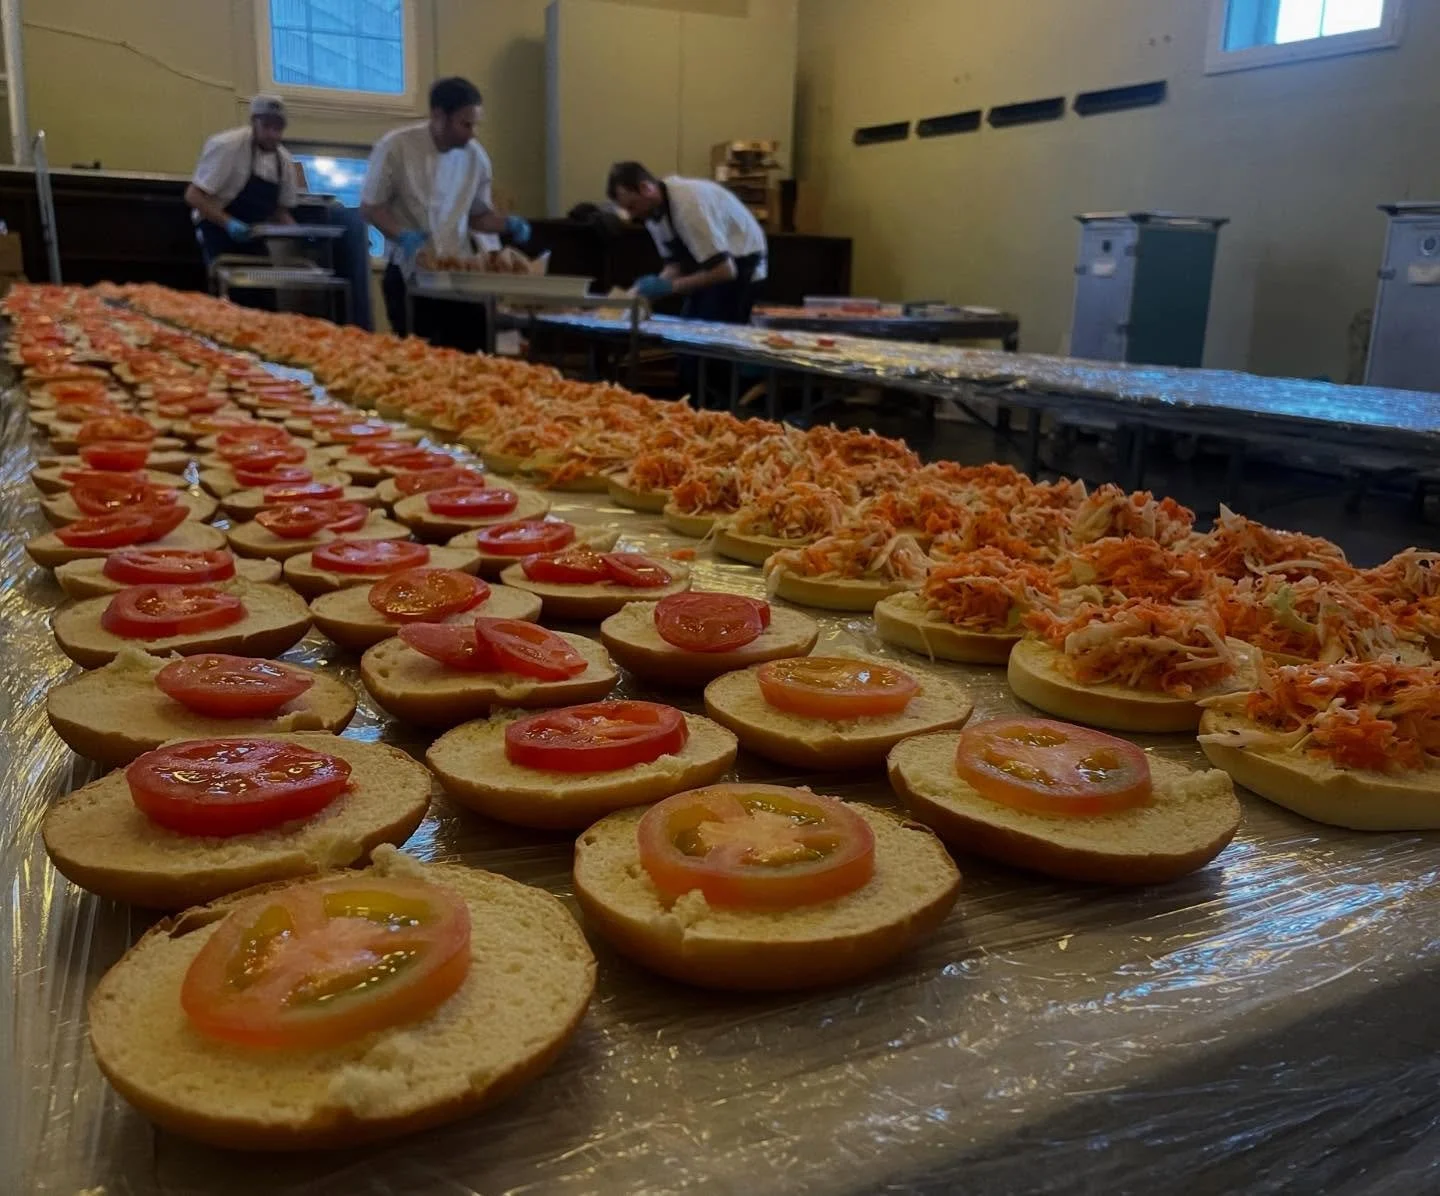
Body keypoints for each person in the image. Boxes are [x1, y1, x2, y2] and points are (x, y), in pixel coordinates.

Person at [360, 76, 531, 350]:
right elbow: (371, 208)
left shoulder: (475, 157)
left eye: (475, 124)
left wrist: (506, 224)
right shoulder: (396, 147)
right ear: (439, 116)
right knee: (419, 359)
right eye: (465, 124)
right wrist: (402, 235)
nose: (472, 132)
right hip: (408, 272)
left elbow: (478, 216)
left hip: (458, 276)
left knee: (471, 356)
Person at [605, 161, 768, 325]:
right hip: (713, 266)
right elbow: (675, 267)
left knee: (706, 337)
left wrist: (669, 287)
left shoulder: (688, 204)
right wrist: (637, 296)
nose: (631, 215)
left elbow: (725, 271)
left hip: (743, 263)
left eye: (632, 206)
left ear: (646, 188)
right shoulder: (651, 214)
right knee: (688, 329)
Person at [185, 96, 298, 267]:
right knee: (226, 288)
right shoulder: (227, 145)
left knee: (262, 290)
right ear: (253, 122)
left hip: (254, 237)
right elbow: (193, 195)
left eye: (278, 128)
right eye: (266, 126)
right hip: (217, 232)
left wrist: (300, 233)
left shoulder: (285, 161)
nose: (273, 134)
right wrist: (230, 223)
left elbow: (280, 212)